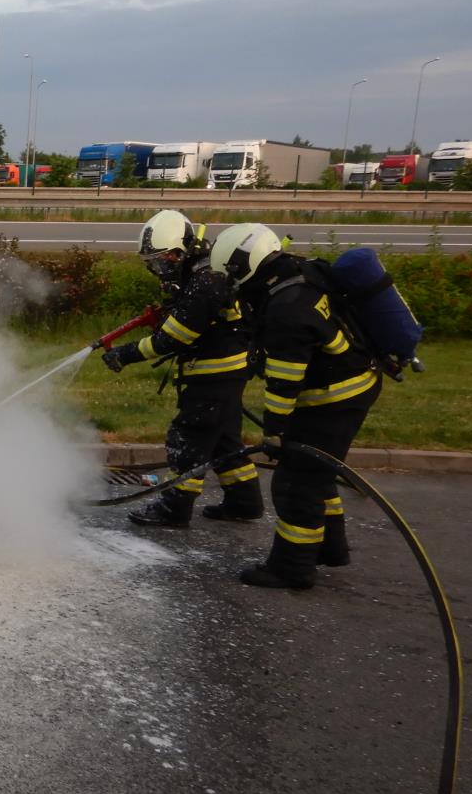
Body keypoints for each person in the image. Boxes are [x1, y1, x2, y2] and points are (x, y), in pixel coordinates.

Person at [209, 222, 382, 589]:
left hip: (334, 398)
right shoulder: (298, 272)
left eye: (233, 274)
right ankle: (329, 549)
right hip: (349, 384)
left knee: (295, 483)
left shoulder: (286, 309)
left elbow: (285, 380)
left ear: (248, 265)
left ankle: (292, 568)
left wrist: (274, 431)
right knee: (317, 473)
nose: (232, 283)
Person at [102, 210, 262, 527]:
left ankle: (174, 509)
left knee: (187, 439)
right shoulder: (204, 272)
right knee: (224, 442)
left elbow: (172, 339)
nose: (161, 270)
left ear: (182, 250)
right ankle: (244, 502)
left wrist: (125, 354)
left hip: (214, 375)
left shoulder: (205, 281)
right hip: (227, 373)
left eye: (164, 261)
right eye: (154, 264)